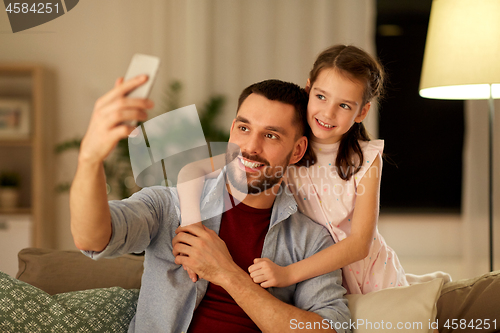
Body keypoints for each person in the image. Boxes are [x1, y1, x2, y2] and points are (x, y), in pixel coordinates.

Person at [70, 77, 351, 332]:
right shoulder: (170, 205)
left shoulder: (311, 242)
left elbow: (332, 329)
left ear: (298, 150)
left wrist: (226, 273)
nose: (250, 146)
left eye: (271, 135)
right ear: (232, 130)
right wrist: (89, 160)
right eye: (244, 128)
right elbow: (93, 238)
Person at [177, 44, 409, 295]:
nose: (328, 113)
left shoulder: (366, 158)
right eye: (321, 97)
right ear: (308, 90)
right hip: (324, 285)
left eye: (344, 106)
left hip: (375, 279)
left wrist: (289, 273)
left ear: (362, 112)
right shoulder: (282, 150)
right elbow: (192, 170)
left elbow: (360, 244)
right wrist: (193, 228)